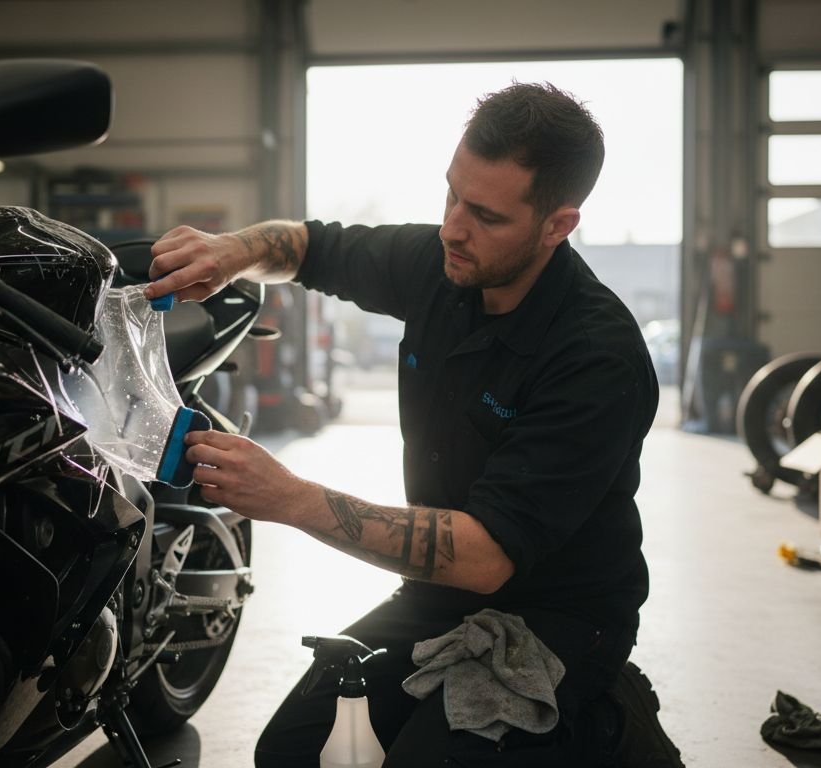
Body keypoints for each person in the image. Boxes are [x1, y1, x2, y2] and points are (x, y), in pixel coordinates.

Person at [144, 82, 679, 767]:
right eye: (452, 194)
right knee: (292, 754)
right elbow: (310, 247)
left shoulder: (596, 357)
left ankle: (604, 723)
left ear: (557, 226)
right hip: (436, 597)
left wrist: (289, 497)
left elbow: (485, 556)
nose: (453, 226)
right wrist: (232, 251)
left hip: (560, 619)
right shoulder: (444, 264)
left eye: (485, 215)